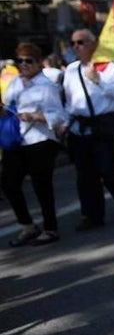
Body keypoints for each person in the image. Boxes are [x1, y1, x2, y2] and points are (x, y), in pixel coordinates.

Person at [61, 28, 114, 230]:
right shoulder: (71, 70)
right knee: (85, 175)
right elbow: (70, 101)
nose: (76, 46)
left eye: (81, 42)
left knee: (108, 170)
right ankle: (92, 215)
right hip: (80, 127)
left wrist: (99, 81)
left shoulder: (108, 68)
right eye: (73, 43)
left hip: (103, 125)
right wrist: (65, 123)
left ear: (93, 44)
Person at [2, 43, 68, 245]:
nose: (24, 64)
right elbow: (8, 107)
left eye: (28, 60)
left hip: (40, 141)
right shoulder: (14, 83)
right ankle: (28, 226)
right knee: (9, 184)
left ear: (39, 63)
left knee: (42, 185)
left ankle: (50, 228)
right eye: (20, 60)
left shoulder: (46, 86)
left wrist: (35, 116)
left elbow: (59, 115)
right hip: (16, 140)